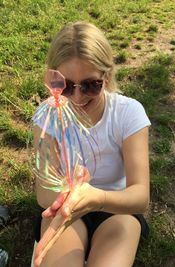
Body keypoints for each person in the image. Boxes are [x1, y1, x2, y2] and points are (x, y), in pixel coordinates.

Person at [32, 21, 151, 267]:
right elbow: (44, 194)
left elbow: (140, 196)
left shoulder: (128, 114)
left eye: (90, 84)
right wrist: (67, 192)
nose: (77, 97)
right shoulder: (47, 117)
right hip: (66, 211)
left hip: (117, 209)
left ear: (106, 76)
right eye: (65, 85)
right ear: (53, 79)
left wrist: (97, 198)